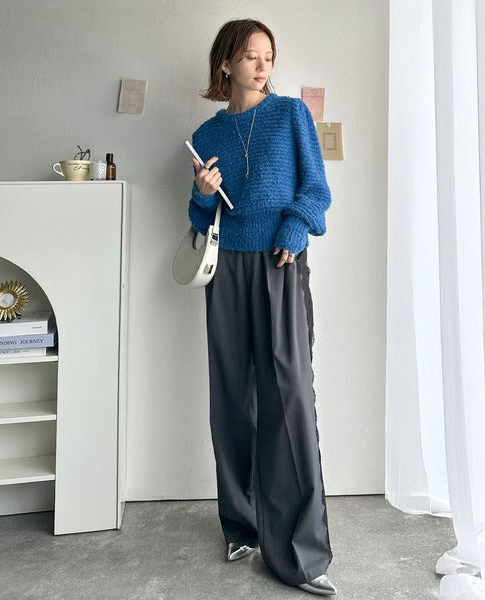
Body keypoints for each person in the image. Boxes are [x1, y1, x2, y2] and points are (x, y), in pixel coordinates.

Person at [187, 18, 336, 596]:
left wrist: (296, 228)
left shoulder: (292, 115)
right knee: (232, 396)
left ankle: (301, 554)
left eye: (268, 55)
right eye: (250, 55)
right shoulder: (207, 132)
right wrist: (202, 195)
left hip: (279, 262)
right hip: (226, 268)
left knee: (288, 398)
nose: (261, 64)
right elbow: (200, 218)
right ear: (225, 63)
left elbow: (316, 189)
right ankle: (242, 525)